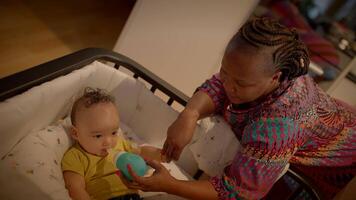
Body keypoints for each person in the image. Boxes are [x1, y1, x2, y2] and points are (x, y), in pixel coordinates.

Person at [121, 18, 356, 200]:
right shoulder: (257, 72)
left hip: (341, 162)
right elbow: (218, 85)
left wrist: (170, 185)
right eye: (225, 72)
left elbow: (237, 192)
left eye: (241, 84)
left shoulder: (279, 126)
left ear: (276, 77)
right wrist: (190, 114)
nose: (228, 86)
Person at [61, 88, 164, 200]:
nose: (109, 142)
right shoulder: (75, 156)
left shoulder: (120, 143)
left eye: (114, 132)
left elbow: (141, 151)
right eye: (98, 136)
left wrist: (161, 154)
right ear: (76, 133)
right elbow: (76, 189)